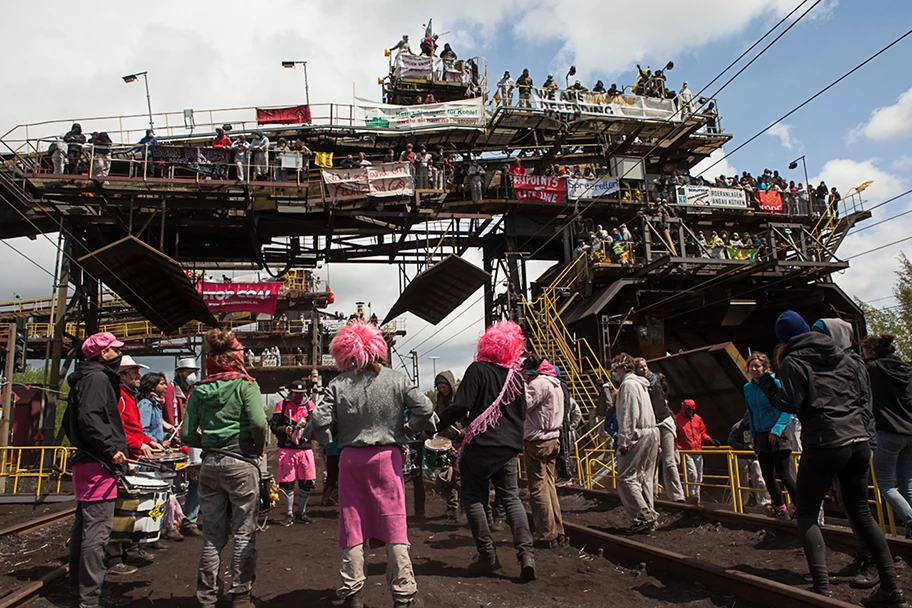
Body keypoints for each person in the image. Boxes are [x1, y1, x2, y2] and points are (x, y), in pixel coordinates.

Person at [758, 311, 904, 605]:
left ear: (784, 340)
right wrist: (866, 436)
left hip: (824, 442)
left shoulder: (794, 362)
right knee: (862, 512)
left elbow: (791, 404)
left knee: (808, 512)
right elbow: (865, 399)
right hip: (859, 442)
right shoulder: (849, 358)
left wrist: (767, 385)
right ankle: (892, 587)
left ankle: (822, 588)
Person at [312, 321, 434, 608]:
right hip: (387, 458)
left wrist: (330, 436)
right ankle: (403, 595)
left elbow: (318, 420)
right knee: (394, 524)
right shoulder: (397, 379)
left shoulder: (338, 384)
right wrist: (408, 429)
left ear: (346, 352)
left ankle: (352, 592)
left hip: (351, 459)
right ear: (379, 348)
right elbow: (425, 409)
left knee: (351, 525)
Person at [437, 321, 536, 580]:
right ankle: (527, 555)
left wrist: (437, 425)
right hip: (508, 448)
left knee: (474, 498)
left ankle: (487, 556)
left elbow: (462, 405)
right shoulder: (516, 377)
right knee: (512, 498)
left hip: (480, 446)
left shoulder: (478, 369)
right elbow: (521, 413)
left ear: (486, 345)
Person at [181, 329, 268, 608]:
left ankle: (206, 597)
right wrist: (259, 447)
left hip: (210, 464)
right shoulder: (246, 385)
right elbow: (258, 423)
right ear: (234, 356)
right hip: (241, 462)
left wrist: (205, 441)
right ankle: (241, 595)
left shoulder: (199, 390)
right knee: (244, 531)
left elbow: (186, 434)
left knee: (212, 535)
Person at [64, 332, 131, 608]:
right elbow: (90, 417)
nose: (118, 355)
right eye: (115, 350)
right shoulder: (98, 378)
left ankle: (79, 589)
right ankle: (90, 598)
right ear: (103, 354)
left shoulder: (86, 377)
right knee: (97, 532)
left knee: (84, 528)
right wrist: (111, 450)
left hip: (88, 462)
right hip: (98, 463)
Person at [862, 333, 912, 538]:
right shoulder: (908, 368)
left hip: (889, 432)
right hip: (910, 431)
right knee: (907, 483)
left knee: (886, 484)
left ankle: (911, 520)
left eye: (864, 352)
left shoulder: (872, 370)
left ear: (872, 352)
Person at [743, 351, 797, 519]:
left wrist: (777, 429)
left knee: (783, 472)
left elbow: (787, 409)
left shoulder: (776, 383)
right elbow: (751, 412)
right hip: (760, 432)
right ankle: (780, 507)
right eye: (751, 366)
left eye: (757, 366)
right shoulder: (748, 388)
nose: (754, 369)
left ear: (765, 368)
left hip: (778, 431)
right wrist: (753, 434)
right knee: (767, 474)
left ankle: (799, 504)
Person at [521, 356, 567, 548]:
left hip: (537, 441)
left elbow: (523, 405)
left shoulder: (539, 384)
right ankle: (559, 530)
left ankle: (545, 534)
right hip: (553, 439)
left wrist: (520, 387)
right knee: (550, 486)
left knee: (538, 488)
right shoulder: (555, 383)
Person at [611, 353, 659, 532]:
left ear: (623, 368)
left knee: (626, 478)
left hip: (638, 434)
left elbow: (628, 415)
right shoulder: (641, 384)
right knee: (644, 478)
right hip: (652, 431)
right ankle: (649, 516)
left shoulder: (628, 385)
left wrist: (623, 441)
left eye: (615, 369)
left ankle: (642, 516)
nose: (613, 373)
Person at [634, 358, 684, 502]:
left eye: (645, 366)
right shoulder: (637, 386)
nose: (644, 369)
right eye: (641, 367)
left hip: (664, 421)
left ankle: (677, 495)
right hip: (652, 425)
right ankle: (653, 493)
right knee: (652, 461)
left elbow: (664, 395)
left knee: (669, 460)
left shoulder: (656, 380)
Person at [270, 379, 317, 526]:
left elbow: (317, 423)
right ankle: (289, 514)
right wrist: (285, 430)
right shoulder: (282, 405)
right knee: (287, 482)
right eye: (296, 394)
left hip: (305, 449)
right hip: (287, 448)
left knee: (307, 482)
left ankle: (301, 512)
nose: (298, 397)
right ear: (290, 393)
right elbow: (274, 426)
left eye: (301, 394)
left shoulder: (310, 406)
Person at [165, 357, 202, 536]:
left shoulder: (195, 393)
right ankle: (170, 523)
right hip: (173, 443)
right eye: (189, 372)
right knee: (172, 484)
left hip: (192, 443)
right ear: (180, 372)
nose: (192, 376)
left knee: (196, 480)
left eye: (194, 373)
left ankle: (190, 521)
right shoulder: (169, 390)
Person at [674, 399, 719, 501]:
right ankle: (691, 496)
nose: (690, 413)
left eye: (692, 410)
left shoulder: (698, 419)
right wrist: (679, 448)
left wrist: (709, 440)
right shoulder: (677, 419)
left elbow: (702, 433)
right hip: (686, 452)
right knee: (692, 474)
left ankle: (696, 497)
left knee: (699, 476)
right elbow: (675, 436)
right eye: (688, 410)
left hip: (698, 451)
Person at [434, 371, 463, 520]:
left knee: (458, 475)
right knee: (446, 476)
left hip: (459, 441)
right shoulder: (439, 400)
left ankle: (464, 508)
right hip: (444, 442)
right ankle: (451, 507)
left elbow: (470, 418)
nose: (442, 390)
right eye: (439, 387)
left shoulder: (460, 398)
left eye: (444, 386)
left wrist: (464, 432)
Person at [728, 415, 771, 509]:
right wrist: (743, 448)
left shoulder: (757, 426)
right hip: (741, 457)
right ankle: (741, 502)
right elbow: (731, 441)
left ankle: (765, 502)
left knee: (760, 479)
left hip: (755, 457)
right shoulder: (737, 427)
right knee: (742, 481)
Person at [137, 372, 173, 445]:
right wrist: (158, 442)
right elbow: (143, 431)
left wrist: (168, 437)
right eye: (162, 384)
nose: (166, 387)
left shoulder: (156, 404)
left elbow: (156, 432)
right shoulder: (146, 404)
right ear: (152, 387)